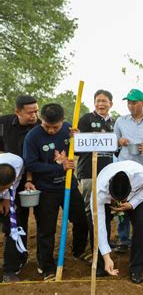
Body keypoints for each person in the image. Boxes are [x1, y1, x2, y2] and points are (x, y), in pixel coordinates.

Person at [23, 103, 88, 280]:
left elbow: (82, 152)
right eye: (47, 126)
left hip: (69, 185)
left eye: (55, 127)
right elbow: (30, 164)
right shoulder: (33, 136)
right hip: (46, 190)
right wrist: (59, 167)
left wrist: (79, 139)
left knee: (82, 220)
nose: (51, 130)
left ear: (63, 121)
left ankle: (79, 251)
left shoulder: (69, 129)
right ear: (41, 120)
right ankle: (46, 266)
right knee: (46, 229)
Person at [114, 88, 143, 251]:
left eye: (134, 102)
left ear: (142, 103)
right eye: (129, 103)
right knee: (121, 204)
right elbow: (114, 143)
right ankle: (123, 239)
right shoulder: (120, 121)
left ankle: (140, 239)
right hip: (124, 169)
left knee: (142, 207)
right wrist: (120, 141)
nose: (131, 106)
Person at [94, 160, 143, 284]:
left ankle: (136, 268)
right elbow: (99, 225)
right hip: (106, 200)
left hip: (136, 198)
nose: (119, 201)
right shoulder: (99, 190)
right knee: (99, 223)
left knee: (142, 223)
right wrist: (106, 256)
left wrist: (132, 204)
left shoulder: (142, 175)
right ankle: (102, 264)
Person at [0, 95, 40, 273]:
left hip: (28, 180)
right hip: (4, 175)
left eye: (36, 111)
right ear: (17, 112)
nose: (34, 115)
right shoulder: (3, 123)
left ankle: (14, 265)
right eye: (30, 112)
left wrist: (7, 197)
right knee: (11, 221)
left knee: (18, 222)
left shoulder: (41, 126)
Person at [77, 90, 115, 256]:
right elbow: (78, 147)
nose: (101, 104)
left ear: (110, 104)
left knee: (106, 208)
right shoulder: (86, 119)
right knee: (91, 210)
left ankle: (103, 243)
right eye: (98, 100)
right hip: (88, 173)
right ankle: (92, 247)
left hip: (109, 174)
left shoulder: (115, 123)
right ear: (94, 103)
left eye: (104, 101)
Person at [0, 153, 25, 282]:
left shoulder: (17, 163)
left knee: (14, 228)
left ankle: (9, 270)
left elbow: (13, 184)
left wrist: (6, 198)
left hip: (7, 198)